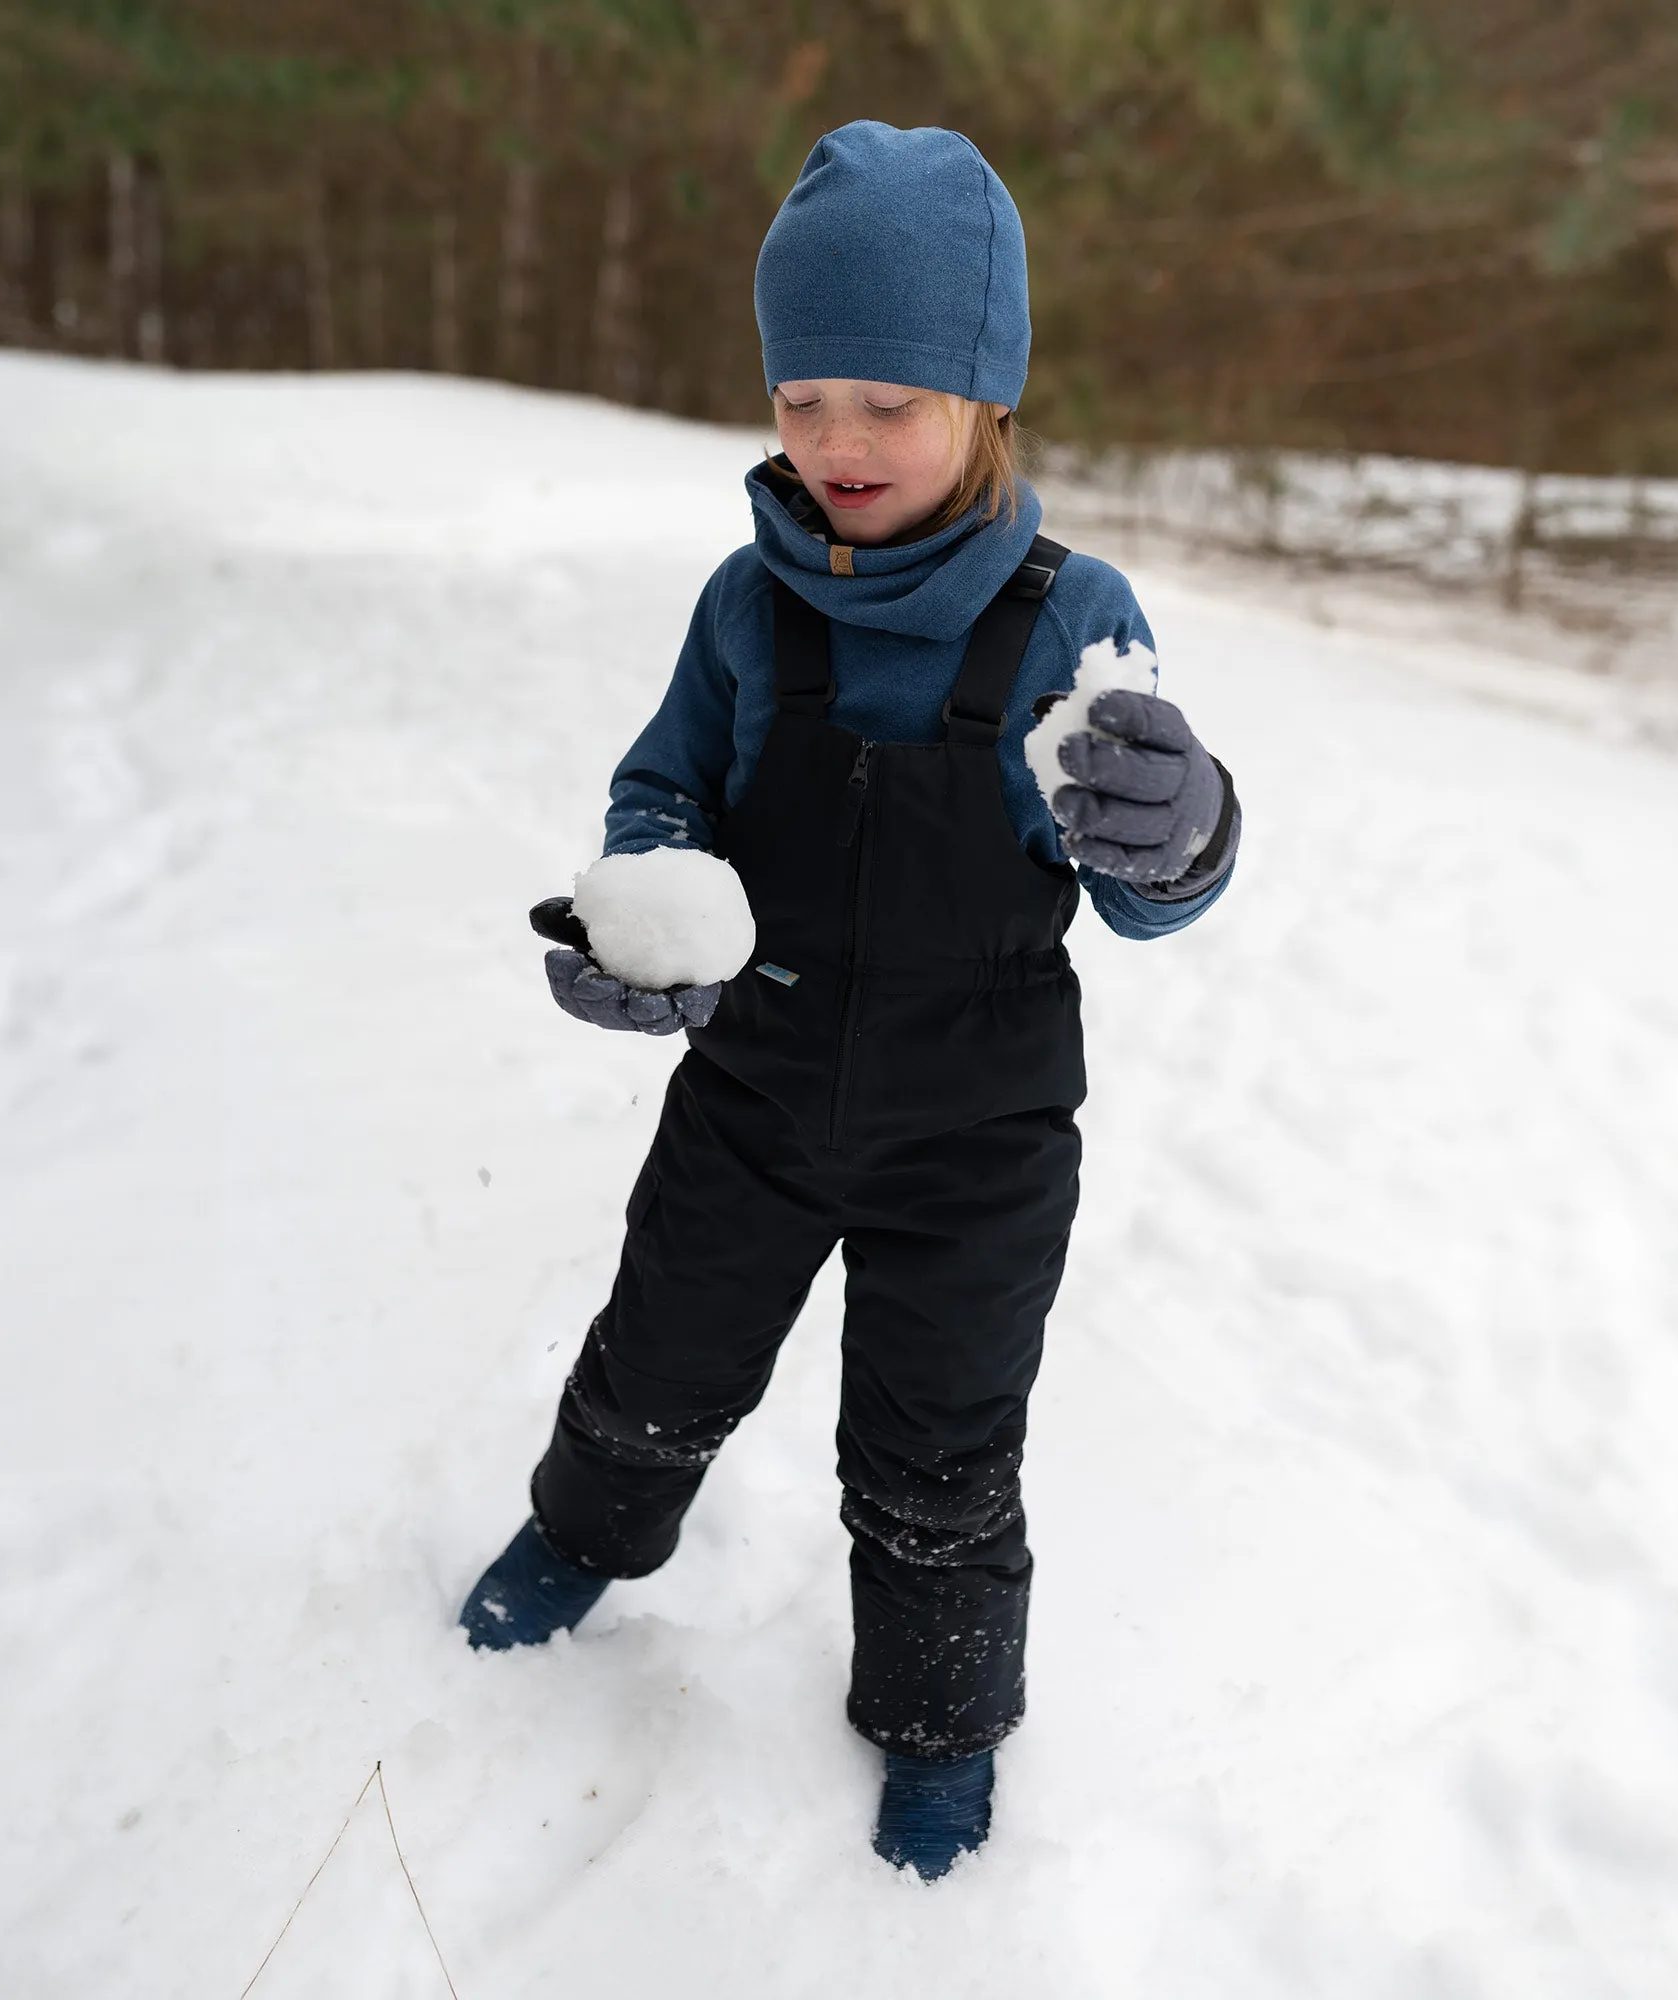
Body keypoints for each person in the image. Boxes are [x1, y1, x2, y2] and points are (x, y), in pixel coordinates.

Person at [460, 120, 1241, 1881]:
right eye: (801, 398)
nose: (834, 444)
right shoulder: (748, 604)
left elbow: (1144, 874)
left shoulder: (1071, 617)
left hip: (978, 1139)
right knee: (656, 1360)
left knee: (940, 1451)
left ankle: (943, 1720)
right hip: (752, 1096)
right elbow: (664, 792)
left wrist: (1187, 828)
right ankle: (582, 1542)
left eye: (883, 400)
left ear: (984, 392)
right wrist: (637, 924)